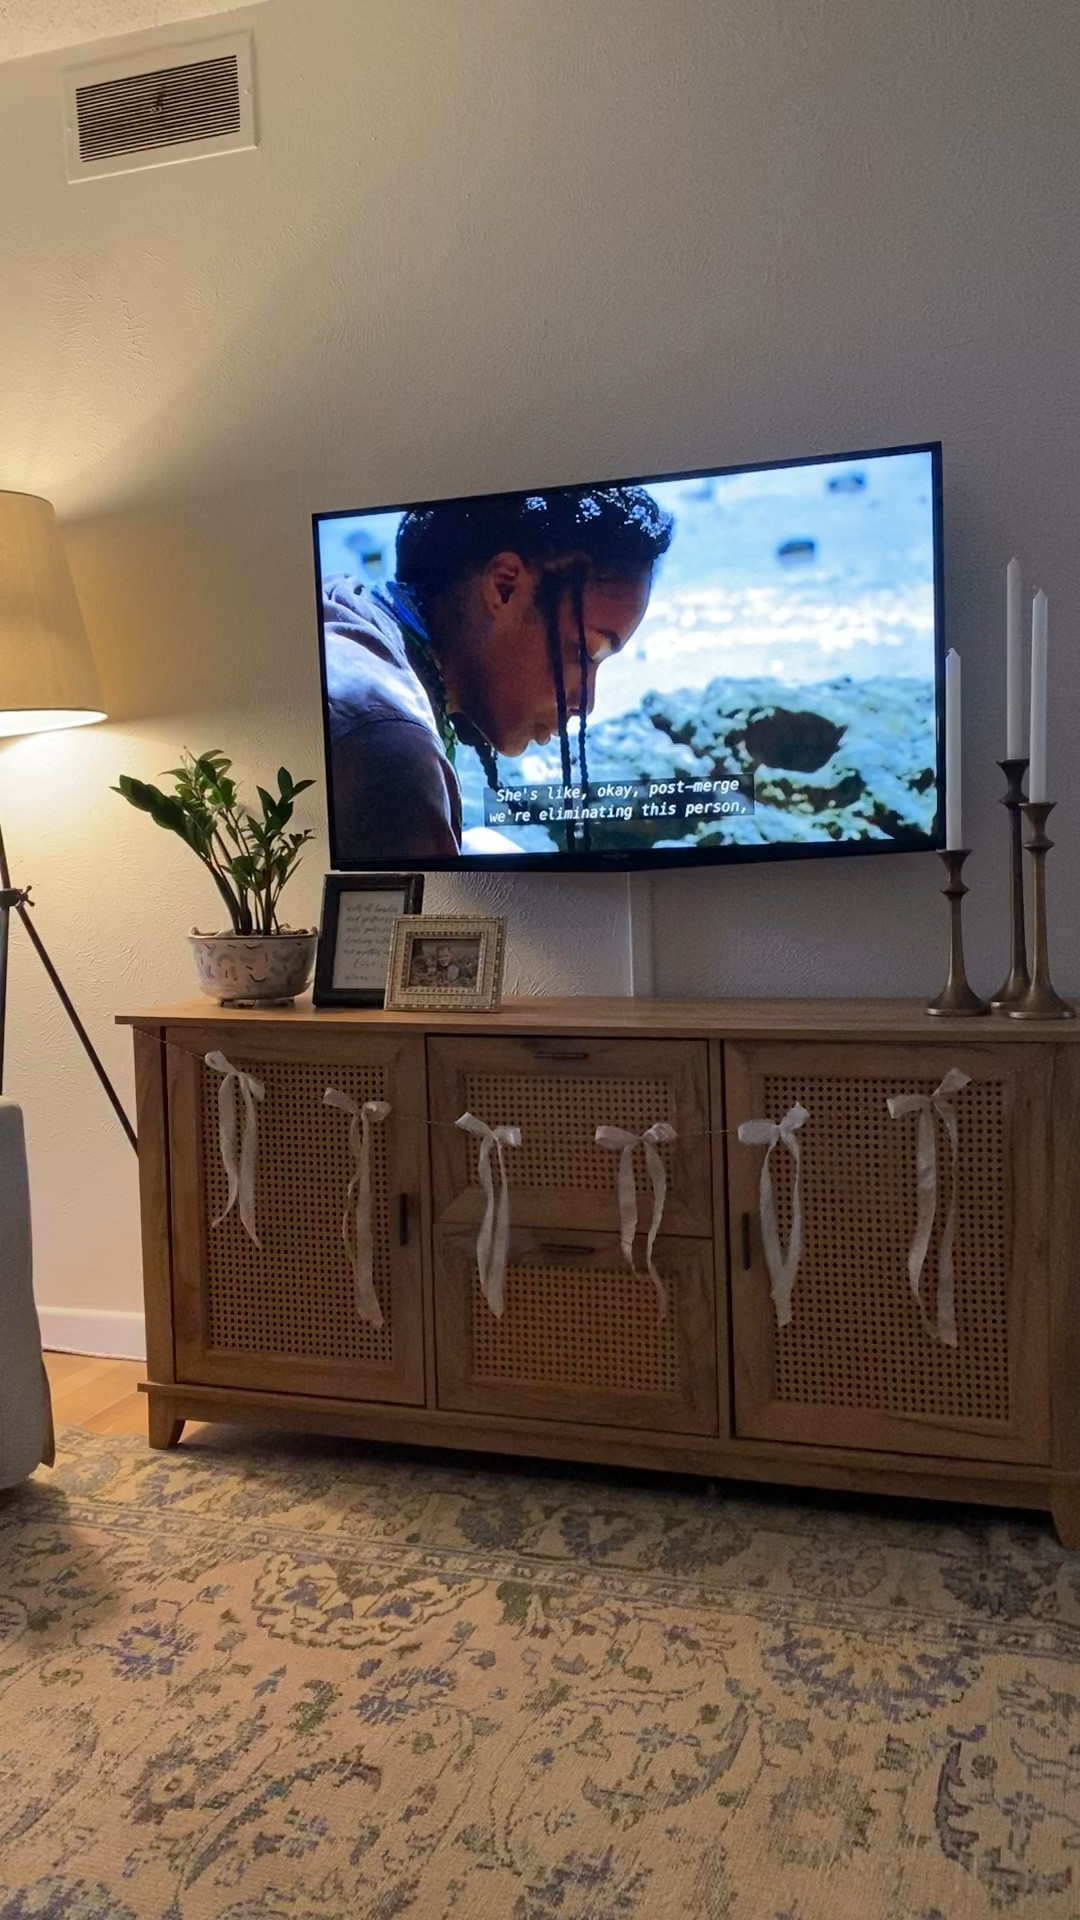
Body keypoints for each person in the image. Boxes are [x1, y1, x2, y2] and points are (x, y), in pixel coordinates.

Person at [322, 485, 673, 860]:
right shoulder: (388, 752)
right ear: (504, 587)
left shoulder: (338, 603)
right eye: (585, 652)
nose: (585, 703)